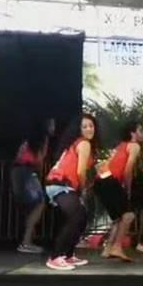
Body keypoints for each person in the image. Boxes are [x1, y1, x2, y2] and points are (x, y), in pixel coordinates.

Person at [44, 114, 99, 271]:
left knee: (81, 217)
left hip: (59, 184)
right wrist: (83, 189)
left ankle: (68, 255)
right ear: (78, 129)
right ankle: (55, 257)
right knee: (77, 216)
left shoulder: (78, 143)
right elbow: (80, 171)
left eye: (91, 126)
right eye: (84, 126)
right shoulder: (84, 143)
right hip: (60, 184)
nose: (89, 129)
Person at [94, 121, 143, 263]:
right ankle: (117, 247)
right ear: (132, 133)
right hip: (109, 180)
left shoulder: (120, 146)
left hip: (100, 180)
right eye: (140, 130)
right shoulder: (134, 146)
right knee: (128, 215)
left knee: (118, 218)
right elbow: (128, 169)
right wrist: (127, 189)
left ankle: (108, 248)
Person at [11, 117, 56, 254]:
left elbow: (19, 155)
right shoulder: (44, 140)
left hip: (16, 171)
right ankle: (26, 242)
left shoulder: (29, 140)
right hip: (28, 171)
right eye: (52, 124)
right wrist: (39, 175)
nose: (54, 127)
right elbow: (39, 161)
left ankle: (26, 240)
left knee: (29, 206)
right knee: (39, 204)